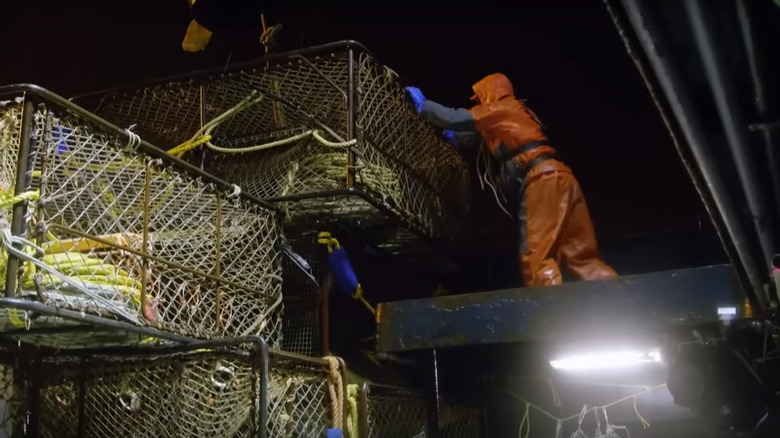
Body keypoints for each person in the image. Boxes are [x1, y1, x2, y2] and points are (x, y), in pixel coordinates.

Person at [406, 73, 617, 287]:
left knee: (536, 259)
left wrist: (425, 106)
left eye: (480, 99)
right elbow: (471, 136)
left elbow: (455, 118)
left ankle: (550, 310)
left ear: (490, 93)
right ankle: (618, 296)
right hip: (562, 177)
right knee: (583, 258)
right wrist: (453, 136)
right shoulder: (516, 116)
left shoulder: (504, 108)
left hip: (541, 180)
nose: (478, 104)